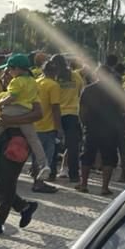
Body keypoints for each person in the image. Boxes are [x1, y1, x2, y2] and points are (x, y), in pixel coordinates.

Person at [0, 53, 49, 180]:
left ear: (16, 69)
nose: (8, 73)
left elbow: (12, 97)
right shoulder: (33, 81)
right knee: (33, 139)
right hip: (26, 111)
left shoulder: (16, 81)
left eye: (9, 69)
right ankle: (44, 164)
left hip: (11, 110)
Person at [0, 118, 40, 237]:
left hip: (16, 141)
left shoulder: (24, 98)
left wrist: (10, 119)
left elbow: (37, 114)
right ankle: (23, 206)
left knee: (7, 183)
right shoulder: (1, 98)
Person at [77, 67, 124, 196]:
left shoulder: (88, 89)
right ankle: (104, 188)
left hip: (91, 127)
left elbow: (82, 111)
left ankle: (84, 184)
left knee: (87, 156)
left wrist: (83, 124)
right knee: (108, 158)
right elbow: (122, 109)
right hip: (110, 128)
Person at [30, 56, 65, 192]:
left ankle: (36, 181)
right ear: (55, 72)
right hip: (47, 126)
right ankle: (39, 183)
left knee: (36, 155)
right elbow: (55, 107)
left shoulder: (36, 82)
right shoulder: (53, 85)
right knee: (46, 157)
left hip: (34, 124)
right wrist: (59, 128)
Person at [52, 53, 84, 182]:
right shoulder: (75, 76)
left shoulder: (53, 77)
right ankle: (74, 175)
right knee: (72, 146)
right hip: (72, 114)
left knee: (53, 144)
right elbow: (80, 91)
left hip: (55, 113)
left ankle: (51, 172)